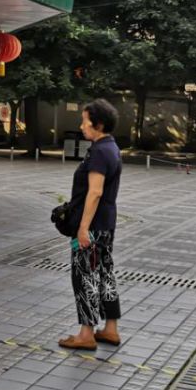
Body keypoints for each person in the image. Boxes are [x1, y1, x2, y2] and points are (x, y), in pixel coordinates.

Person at [57, 99, 123, 351]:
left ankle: (86, 333)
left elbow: (94, 192)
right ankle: (110, 328)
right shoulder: (112, 148)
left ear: (99, 124)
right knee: (105, 273)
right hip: (106, 223)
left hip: (92, 226)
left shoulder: (98, 152)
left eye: (85, 120)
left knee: (84, 276)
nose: (81, 125)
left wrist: (83, 228)